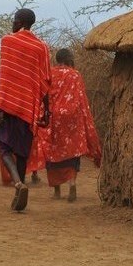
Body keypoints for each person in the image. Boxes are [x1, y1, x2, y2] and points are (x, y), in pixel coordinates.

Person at [0, 8, 51, 211]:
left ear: (18, 22)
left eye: (13, 20)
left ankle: (18, 183)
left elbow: (6, 76)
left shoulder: (8, 41)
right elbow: (45, 80)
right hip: (30, 107)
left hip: (9, 104)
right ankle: (21, 188)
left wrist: (0, 107)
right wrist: (47, 110)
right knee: (23, 151)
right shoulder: (42, 47)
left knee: (4, 148)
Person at [43, 48, 102, 201]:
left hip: (54, 119)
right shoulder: (75, 75)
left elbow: (45, 96)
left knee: (53, 152)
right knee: (72, 151)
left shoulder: (50, 73)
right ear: (69, 59)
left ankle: (57, 191)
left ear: (57, 59)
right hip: (72, 119)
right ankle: (72, 185)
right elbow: (82, 100)